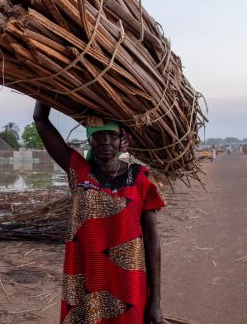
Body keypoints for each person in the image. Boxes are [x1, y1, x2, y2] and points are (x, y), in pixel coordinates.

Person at [34, 101, 164, 324]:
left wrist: (156, 301)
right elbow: (40, 120)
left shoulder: (140, 177)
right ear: (89, 140)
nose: (104, 141)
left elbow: (153, 241)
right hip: (85, 282)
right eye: (98, 135)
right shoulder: (80, 171)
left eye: (111, 135)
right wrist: (41, 85)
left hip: (128, 285)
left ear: (122, 141)